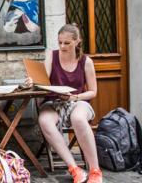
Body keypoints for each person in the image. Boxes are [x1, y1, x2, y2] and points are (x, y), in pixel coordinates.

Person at [34, 24, 103, 183]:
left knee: (78, 118)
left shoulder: (86, 62)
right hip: (54, 101)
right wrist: (34, 81)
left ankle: (95, 170)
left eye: (67, 43)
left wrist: (73, 98)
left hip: (77, 101)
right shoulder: (52, 56)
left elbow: (93, 92)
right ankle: (75, 169)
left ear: (77, 41)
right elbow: (43, 80)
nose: (62, 46)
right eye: (60, 42)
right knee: (44, 120)